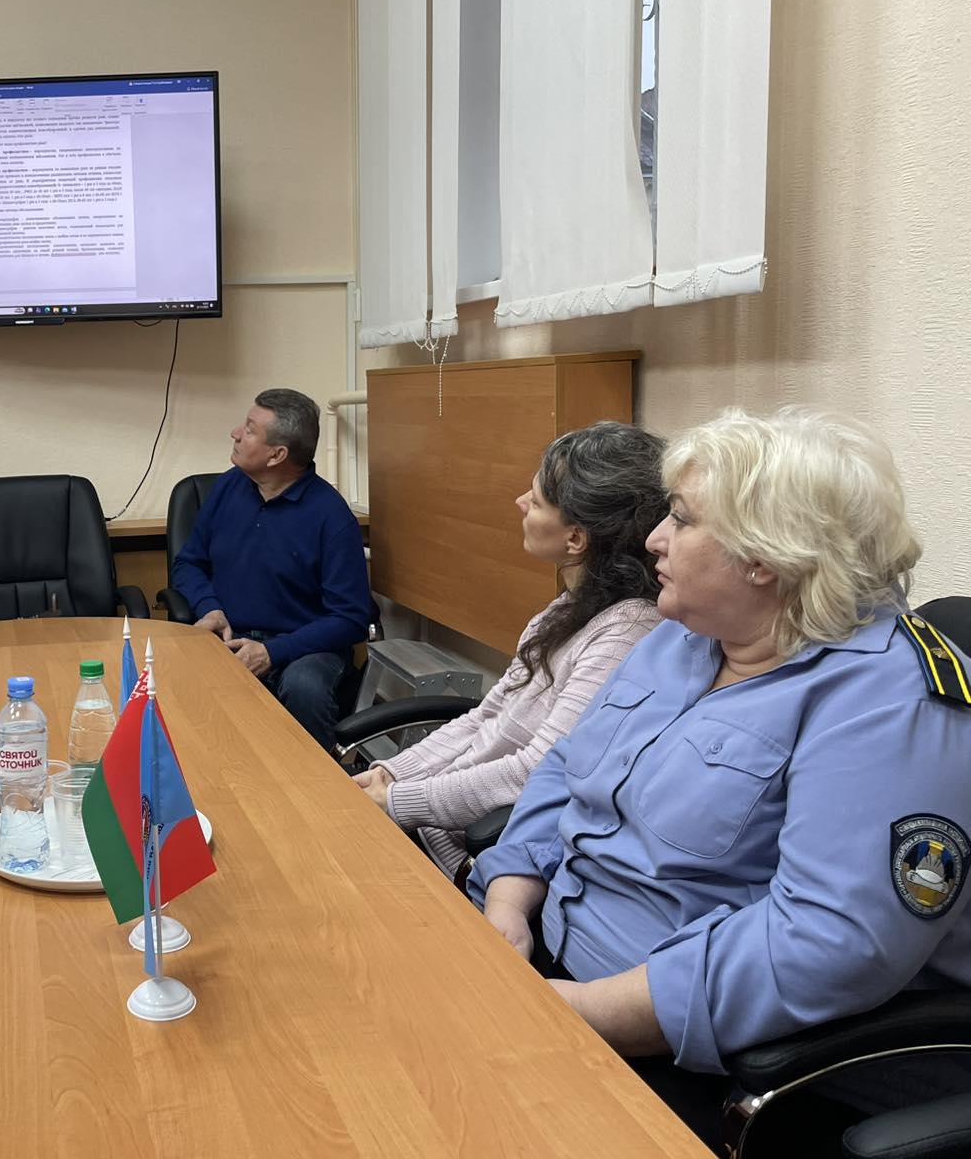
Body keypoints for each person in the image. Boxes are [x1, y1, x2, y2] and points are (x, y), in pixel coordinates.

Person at [468, 406, 971, 1145]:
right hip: (539, 957)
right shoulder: (683, 635)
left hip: (690, 1053)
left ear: (762, 556)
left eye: (680, 518)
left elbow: (826, 945)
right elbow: (569, 768)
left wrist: (582, 1011)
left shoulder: (894, 702)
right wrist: (509, 897)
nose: (653, 538)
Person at [354, 422, 667, 876]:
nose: (520, 502)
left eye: (536, 501)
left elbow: (534, 771)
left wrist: (397, 801)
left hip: (467, 853)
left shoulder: (627, 633)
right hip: (431, 820)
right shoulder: (568, 608)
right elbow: (486, 717)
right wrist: (392, 774)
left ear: (576, 538)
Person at [171, 388, 374, 749]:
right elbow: (189, 563)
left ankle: (311, 779)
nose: (235, 433)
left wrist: (273, 652)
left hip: (305, 646)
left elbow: (351, 618)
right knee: (174, 680)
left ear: (278, 455)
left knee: (304, 688)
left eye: (250, 430)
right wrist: (209, 608)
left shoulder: (331, 516)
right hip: (229, 635)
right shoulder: (228, 487)